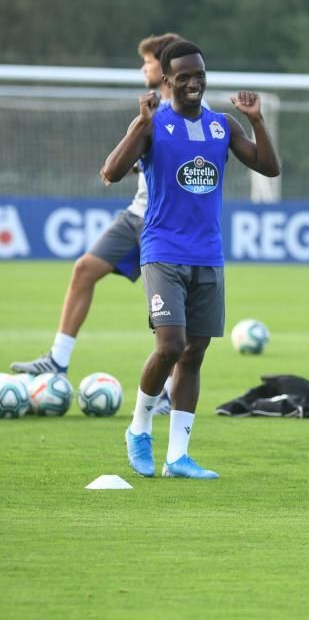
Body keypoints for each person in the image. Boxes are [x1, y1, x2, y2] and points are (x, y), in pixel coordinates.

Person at [101, 40, 280, 479]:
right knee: (170, 345)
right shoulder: (152, 123)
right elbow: (111, 172)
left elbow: (269, 167)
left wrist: (257, 121)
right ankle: (139, 428)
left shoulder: (222, 126)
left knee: (194, 353)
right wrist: (137, 128)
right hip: (162, 251)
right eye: (184, 76)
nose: (194, 82)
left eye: (199, 74)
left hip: (208, 255)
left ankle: (178, 456)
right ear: (167, 81)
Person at [11, 34, 181, 415]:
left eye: (148, 62)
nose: (143, 68)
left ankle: (167, 393)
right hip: (136, 215)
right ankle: (58, 358)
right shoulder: (151, 109)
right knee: (84, 269)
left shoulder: (183, 113)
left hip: (164, 225)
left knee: (168, 313)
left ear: (164, 67)